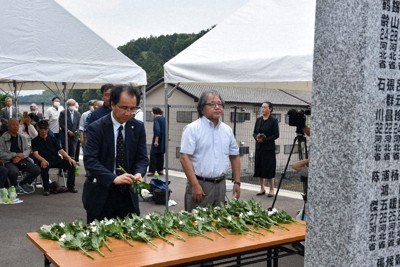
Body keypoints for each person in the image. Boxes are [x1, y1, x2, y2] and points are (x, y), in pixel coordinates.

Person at [83, 84, 148, 223]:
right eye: (124, 108)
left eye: (132, 108)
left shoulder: (137, 127)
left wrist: (139, 173)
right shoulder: (96, 128)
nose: (128, 113)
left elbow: (142, 158)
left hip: (128, 195)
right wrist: (113, 178)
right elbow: (90, 161)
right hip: (102, 193)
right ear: (112, 104)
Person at [180, 91, 241, 212]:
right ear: (202, 108)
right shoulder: (192, 129)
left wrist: (237, 182)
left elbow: (235, 156)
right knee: (196, 224)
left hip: (221, 184)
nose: (217, 107)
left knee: (219, 223)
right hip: (200, 184)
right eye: (212, 104)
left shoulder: (227, 130)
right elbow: (184, 157)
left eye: (220, 104)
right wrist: (195, 185)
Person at [32, 120, 77, 196]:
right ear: (38, 129)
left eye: (45, 129)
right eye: (41, 129)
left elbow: (61, 150)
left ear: (48, 129)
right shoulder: (35, 141)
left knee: (71, 164)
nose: (43, 131)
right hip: (44, 160)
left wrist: (69, 158)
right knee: (44, 166)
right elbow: (36, 154)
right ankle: (46, 189)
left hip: (56, 159)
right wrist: (42, 160)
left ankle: (70, 187)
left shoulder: (52, 138)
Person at [0, 119, 40, 194]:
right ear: (8, 126)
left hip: (22, 159)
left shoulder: (22, 137)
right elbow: (1, 153)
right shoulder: (2, 139)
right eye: (13, 125)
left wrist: (20, 156)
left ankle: (24, 183)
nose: (15, 127)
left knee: (36, 169)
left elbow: (28, 150)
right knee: (14, 172)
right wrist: (14, 154)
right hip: (9, 161)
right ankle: (14, 186)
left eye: (17, 125)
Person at [253, 101, 279, 197]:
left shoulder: (273, 120)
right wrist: (257, 137)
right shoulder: (258, 120)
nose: (262, 109)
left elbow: (276, 135)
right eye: (262, 107)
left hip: (269, 148)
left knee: (269, 168)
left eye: (265, 107)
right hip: (259, 147)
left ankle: (271, 189)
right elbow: (254, 132)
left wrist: (265, 139)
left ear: (270, 109)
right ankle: (262, 188)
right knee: (259, 167)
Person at [148, 107, 166, 176]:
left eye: (152, 112)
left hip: (158, 139)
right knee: (160, 155)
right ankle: (160, 170)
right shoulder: (163, 119)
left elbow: (157, 130)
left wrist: (156, 141)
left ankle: (152, 171)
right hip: (163, 139)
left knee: (153, 154)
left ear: (155, 112)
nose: (151, 113)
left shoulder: (156, 119)